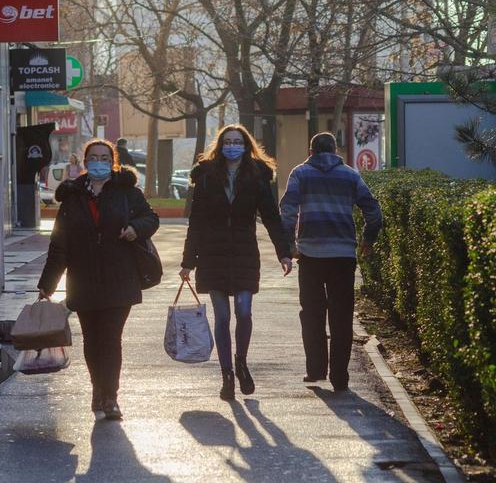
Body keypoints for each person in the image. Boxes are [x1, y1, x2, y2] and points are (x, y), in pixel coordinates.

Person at [37, 138, 159, 420]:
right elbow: (60, 244)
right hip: (84, 279)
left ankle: (111, 397)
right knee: (92, 340)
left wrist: (134, 228)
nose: (99, 162)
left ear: (112, 161)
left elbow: (151, 219)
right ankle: (97, 390)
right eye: (94, 157)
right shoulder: (72, 195)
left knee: (111, 338)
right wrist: (48, 285)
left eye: (105, 158)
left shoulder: (127, 191)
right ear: (84, 160)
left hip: (120, 277)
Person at [179, 124, 293, 401]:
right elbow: (196, 222)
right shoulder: (206, 176)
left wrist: (284, 252)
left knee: (243, 311)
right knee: (222, 316)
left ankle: (241, 361)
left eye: (237, 141)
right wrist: (188, 262)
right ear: (220, 145)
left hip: (244, 252)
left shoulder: (257, 176)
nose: (232, 146)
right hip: (212, 254)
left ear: (246, 145)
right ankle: (226, 374)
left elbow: (271, 217)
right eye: (227, 141)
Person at [279, 132, 383, 392]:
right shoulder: (350, 175)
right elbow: (373, 211)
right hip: (343, 256)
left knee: (312, 314)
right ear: (335, 150)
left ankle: (315, 370)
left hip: (310, 256)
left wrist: (290, 245)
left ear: (310, 150)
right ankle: (340, 377)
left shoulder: (300, 174)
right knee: (342, 317)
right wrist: (368, 240)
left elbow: (288, 211)